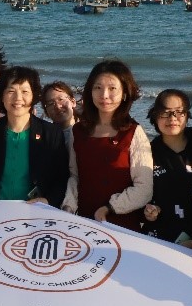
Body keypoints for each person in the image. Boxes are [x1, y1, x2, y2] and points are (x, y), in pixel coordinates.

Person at [61, 59, 152, 230]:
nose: (104, 95)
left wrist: (110, 208)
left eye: (112, 88)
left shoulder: (133, 132)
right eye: (98, 87)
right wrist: (68, 207)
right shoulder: (78, 131)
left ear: (124, 93)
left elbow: (144, 188)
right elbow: (75, 176)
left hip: (122, 227)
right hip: (84, 223)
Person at [0, 65, 69, 206]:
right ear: (2, 95)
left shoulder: (51, 133)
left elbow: (61, 178)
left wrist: (47, 200)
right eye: (11, 91)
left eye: (25, 91)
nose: (18, 98)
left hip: (37, 210)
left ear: (33, 95)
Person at [142, 89, 192, 250]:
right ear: (155, 116)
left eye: (179, 112)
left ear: (187, 115)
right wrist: (150, 210)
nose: (172, 118)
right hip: (161, 238)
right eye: (165, 113)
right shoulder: (148, 152)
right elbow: (143, 194)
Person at [41, 80, 79, 145]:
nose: (57, 107)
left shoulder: (89, 131)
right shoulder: (44, 138)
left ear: (73, 102)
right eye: (51, 103)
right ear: (46, 111)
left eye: (61, 99)